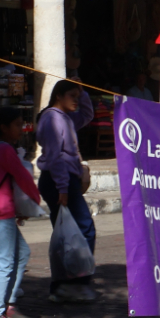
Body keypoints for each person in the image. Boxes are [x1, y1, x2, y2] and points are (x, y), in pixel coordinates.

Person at [36, 80, 97, 303]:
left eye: (77, 97)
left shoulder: (66, 118)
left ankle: (62, 285)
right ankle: (77, 282)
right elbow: (55, 157)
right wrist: (62, 187)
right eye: (72, 96)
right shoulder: (53, 118)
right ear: (58, 96)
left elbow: (87, 115)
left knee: (67, 235)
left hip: (63, 180)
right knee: (84, 229)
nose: (76, 101)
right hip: (58, 181)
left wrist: (83, 91)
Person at [0, 106, 42, 318]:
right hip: (1, 213)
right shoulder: (5, 150)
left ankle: (6, 306)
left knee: (21, 253)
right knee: (5, 263)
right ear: (4, 127)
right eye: (17, 124)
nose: (21, 128)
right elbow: (23, 177)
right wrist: (35, 201)